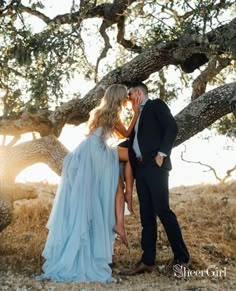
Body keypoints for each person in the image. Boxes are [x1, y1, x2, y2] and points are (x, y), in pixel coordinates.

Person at [37, 84, 139, 283]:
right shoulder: (112, 115)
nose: (127, 99)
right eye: (125, 96)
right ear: (118, 98)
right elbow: (126, 134)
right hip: (97, 151)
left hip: (89, 150)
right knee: (132, 157)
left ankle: (120, 219)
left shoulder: (101, 112)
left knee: (116, 185)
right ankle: (126, 204)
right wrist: (135, 113)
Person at [123, 82, 190, 275]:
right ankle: (147, 261)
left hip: (155, 165)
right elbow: (132, 141)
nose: (128, 101)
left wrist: (162, 154)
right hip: (140, 168)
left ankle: (182, 259)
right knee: (146, 216)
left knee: (163, 211)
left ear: (138, 92)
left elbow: (171, 128)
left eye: (129, 95)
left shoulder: (156, 105)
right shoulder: (136, 115)